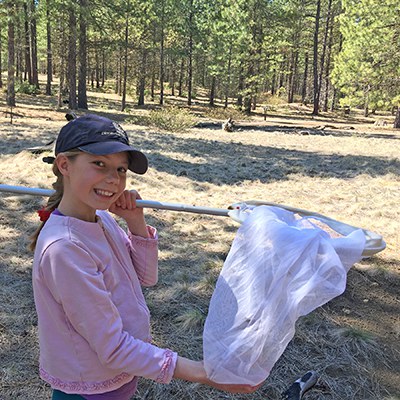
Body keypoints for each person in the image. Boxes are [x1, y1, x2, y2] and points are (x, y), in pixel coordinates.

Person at [30, 114, 262, 400]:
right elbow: (112, 346)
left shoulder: (101, 219)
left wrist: (135, 223)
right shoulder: (65, 248)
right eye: (99, 164)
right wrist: (203, 373)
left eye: (121, 169)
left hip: (121, 372)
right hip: (90, 386)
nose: (114, 180)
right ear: (64, 165)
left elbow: (145, 278)